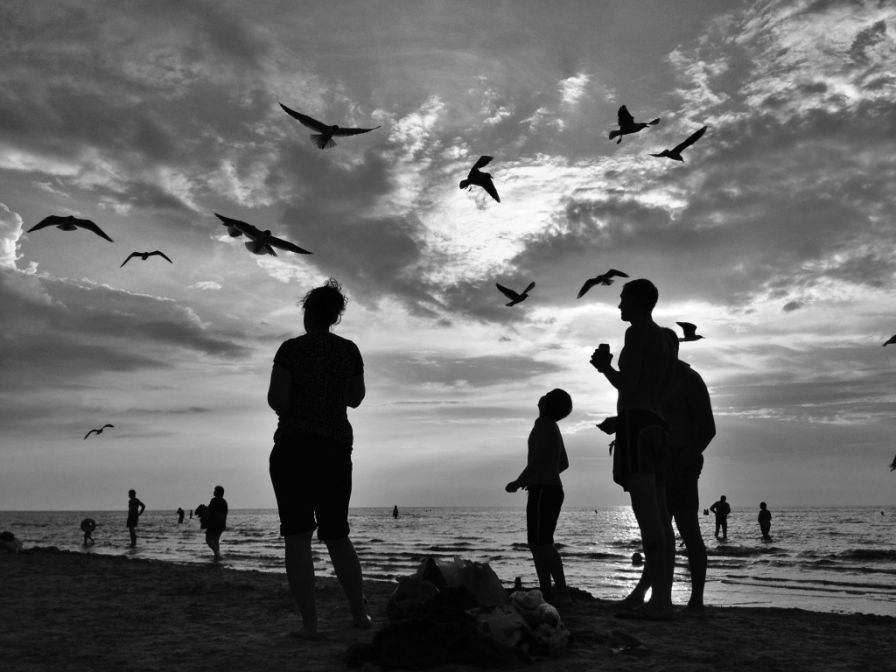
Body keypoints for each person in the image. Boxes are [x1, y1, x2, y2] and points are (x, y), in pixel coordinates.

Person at [267, 278, 369, 638]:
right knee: (337, 534)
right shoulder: (349, 351)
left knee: (297, 536)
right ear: (336, 316)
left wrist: (302, 399)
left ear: (309, 312)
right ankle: (359, 615)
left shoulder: (291, 350)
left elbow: (277, 401)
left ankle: (310, 624)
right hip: (334, 449)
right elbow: (355, 398)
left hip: (294, 447)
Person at [591, 278, 678, 619]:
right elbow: (663, 387)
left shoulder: (637, 332)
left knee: (649, 520)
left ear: (640, 302)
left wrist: (605, 369)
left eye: (624, 298)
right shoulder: (669, 339)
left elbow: (629, 383)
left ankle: (659, 603)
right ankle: (663, 598)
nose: (619, 306)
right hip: (659, 426)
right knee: (660, 515)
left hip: (637, 426)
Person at [615, 339, 716, 612]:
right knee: (657, 532)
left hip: (681, 460)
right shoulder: (656, 381)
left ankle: (696, 600)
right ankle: (646, 593)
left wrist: (685, 460)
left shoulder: (689, 379)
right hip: (657, 460)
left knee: (688, 530)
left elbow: (707, 428)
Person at [505, 388, 573, 606]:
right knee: (537, 543)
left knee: (542, 543)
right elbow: (562, 463)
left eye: (546, 396)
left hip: (545, 490)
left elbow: (538, 459)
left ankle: (560, 591)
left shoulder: (543, 425)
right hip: (547, 488)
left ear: (547, 404)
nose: (541, 397)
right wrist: (537, 476)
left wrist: (520, 480)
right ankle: (547, 590)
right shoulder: (552, 427)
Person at [205, 486, 228, 561]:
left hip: (213, 523)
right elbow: (225, 513)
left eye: (214, 490)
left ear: (217, 492)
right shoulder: (224, 502)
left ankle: (217, 553)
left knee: (208, 539)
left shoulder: (214, 500)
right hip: (221, 524)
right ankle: (217, 556)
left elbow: (209, 511)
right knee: (216, 540)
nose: (213, 492)